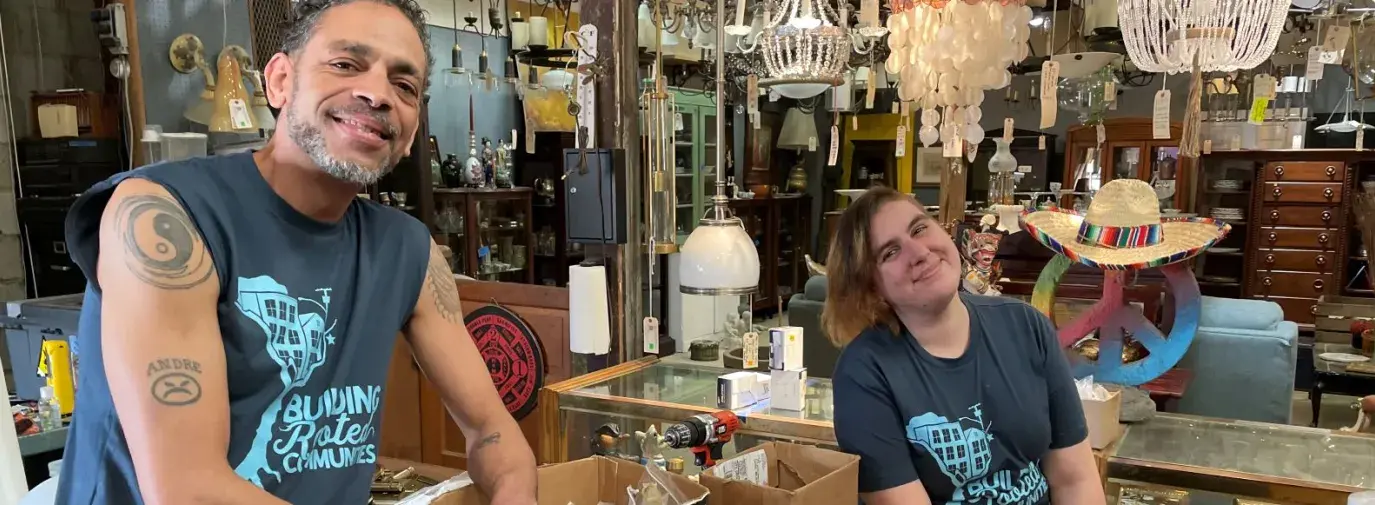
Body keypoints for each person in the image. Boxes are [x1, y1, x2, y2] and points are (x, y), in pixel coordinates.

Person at [55, 1, 537, 503]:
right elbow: (188, 491)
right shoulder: (167, 218)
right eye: (345, 64)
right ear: (280, 81)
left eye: (405, 86)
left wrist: (512, 490)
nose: (377, 94)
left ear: (414, 132)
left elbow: (494, 434)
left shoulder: (407, 252)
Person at [825, 187, 1106, 505]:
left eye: (919, 229)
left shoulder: (1027, 327)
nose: (918, 252)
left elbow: (1075, 480)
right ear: (871, 287)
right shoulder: (864, 373)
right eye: (890, 252)